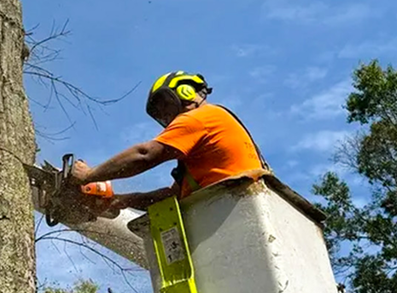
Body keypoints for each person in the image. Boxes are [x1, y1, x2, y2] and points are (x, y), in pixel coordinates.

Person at [69, 71, 266, 210]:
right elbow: (172, 197)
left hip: (230, 209)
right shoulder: (200, 148)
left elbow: (145, 154)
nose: (165, 116)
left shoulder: (201, 117)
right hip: (227, 210)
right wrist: (121, 200)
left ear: (185, 92)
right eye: (159, 114)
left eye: (165, 105)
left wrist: (90, 174)